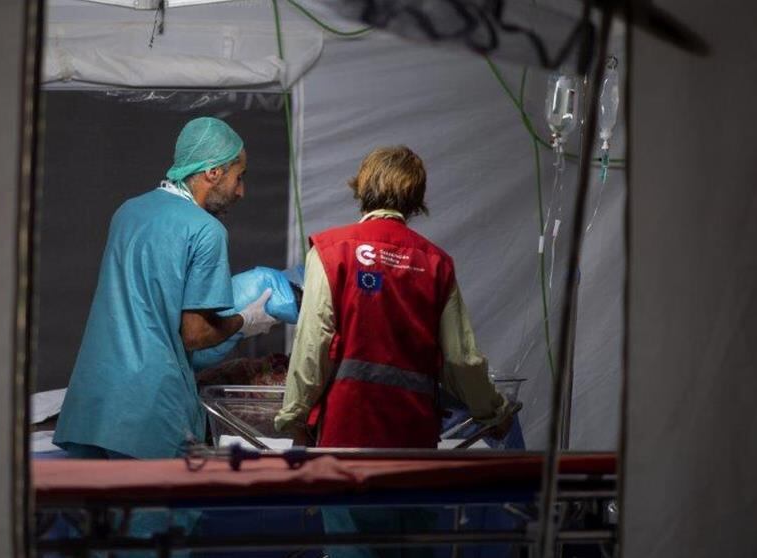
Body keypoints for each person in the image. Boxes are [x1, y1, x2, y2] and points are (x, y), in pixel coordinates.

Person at [274, 146, 514, 558]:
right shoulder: (436, 264)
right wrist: (493, 413)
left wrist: (294, 416)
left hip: (346, 439)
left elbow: (313, 344)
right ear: (416, 197)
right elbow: (461, 359)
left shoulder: (332, 252)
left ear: (362, 187)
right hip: (413, 442)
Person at [53, 116, 279, 460]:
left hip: (95, 404)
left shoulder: (128, 212)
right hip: (149, 409)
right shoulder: (206, 230)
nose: (241, 190)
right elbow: (195, 335)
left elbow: (145, 306)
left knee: (104, 513)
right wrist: (245, 321)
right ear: (213, 173)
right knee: (161, 513)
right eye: (239, 176)